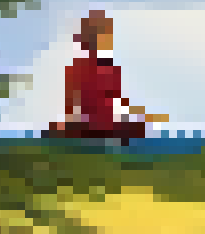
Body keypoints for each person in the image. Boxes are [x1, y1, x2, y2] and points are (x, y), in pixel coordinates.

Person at [49, 10, 151, 139]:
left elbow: (116, 100)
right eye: (103, 34)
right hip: (95, 125)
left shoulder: (108, 69)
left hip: (102, 123)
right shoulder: (79, 68)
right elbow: (73, 103)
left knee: (138, 126)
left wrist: (135, 113)